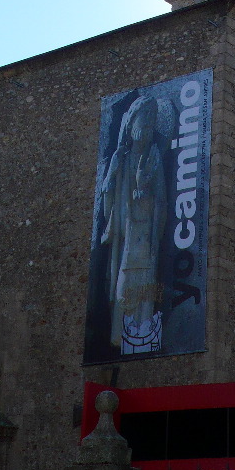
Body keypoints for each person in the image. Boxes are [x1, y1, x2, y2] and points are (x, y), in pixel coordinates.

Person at [101, 95, 167, 351]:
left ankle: (141, 337)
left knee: (145, 293)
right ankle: (119, 336)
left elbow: (162, 200)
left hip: (146, 238)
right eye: (143, 123)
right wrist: (111, 181)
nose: (146, 130)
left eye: (151, 125)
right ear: (131, 126)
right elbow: (110, 204)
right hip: (127, 237)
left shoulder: (154, 158)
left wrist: (145, 191)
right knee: (122, 291)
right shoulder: (122, 158)